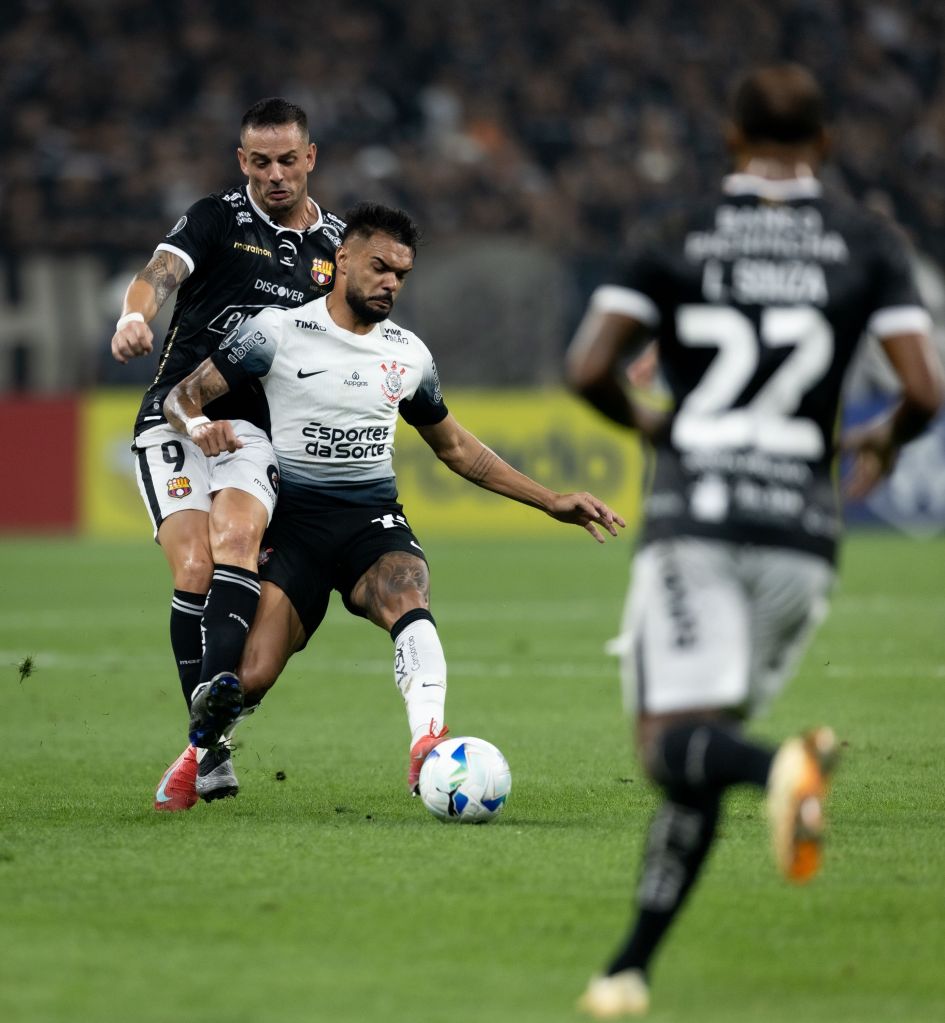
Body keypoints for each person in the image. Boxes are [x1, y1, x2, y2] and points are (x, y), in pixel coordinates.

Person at [565, 64, 944, 1018]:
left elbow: (587, 368)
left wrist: (653, 425)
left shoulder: (674, 229)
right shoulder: (868, 241)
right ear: (822, 145)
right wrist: (878, 442)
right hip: (804, 534)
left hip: (700, 515)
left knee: (670, 746)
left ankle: (785, 765)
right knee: (700, 745)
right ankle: (628, 968)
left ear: (731, 140)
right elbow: (925, 389)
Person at [162, 200, 625, 796]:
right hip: (296, 528)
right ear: (343, 258)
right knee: (249, 677)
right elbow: (183, 396)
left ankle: (426, 743)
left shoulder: (408, 355)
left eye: (401, 275)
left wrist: (550, 499)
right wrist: (199, 427)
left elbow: (457, 448)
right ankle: (194, 758)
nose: (390, 284)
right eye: (379, 267)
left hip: (369, 522)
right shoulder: (275, 331)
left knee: (406, 586)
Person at [111, 97, 345, 812]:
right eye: (259, 161)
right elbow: (159, 272)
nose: (274, 174)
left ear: (310, 158)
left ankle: (204, 737)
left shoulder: (335, 245)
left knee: (237, 540)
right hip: (176, 417)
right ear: (243, 162)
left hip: (251, 429)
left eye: (287, 160)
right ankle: (209, 745)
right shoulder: (216, 218)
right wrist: (133, 314)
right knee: (194, 563)